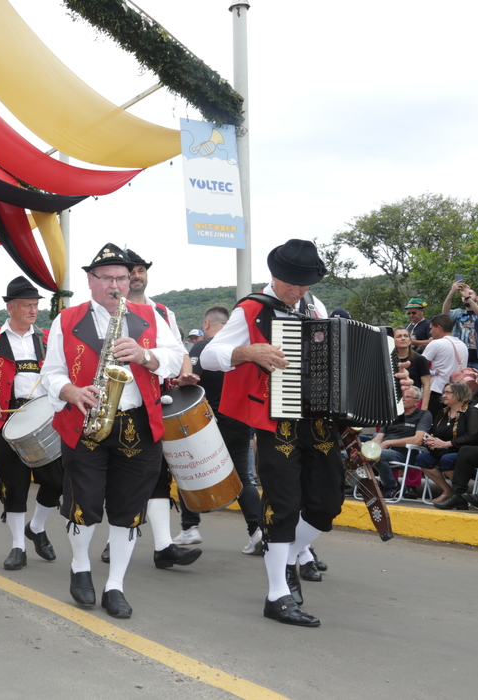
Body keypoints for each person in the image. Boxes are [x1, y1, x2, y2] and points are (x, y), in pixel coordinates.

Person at [40, 243, 183, 619]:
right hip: (87, 419)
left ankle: (115, 584)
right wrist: (69, 390)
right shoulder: (66, 319)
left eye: (123, 277)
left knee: (128, 509)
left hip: (136, 423)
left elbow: (174, 358)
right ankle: (80, 567)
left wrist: (145, 355)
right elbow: (50, 373)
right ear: (91, 280)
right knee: (84, 504)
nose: (116, 285)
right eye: (107, 278)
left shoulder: (150, 314)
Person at [201, 239, 338, 627]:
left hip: (317, 416)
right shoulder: (252, 309)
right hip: (275, 417)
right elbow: (210, 356)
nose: (297, 291)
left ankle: (291, 554)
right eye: (291, 284)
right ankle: (277, 593)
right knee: (283, 501)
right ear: (274, 277)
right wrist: (249, 352)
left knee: (327, 502)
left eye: (303, 284)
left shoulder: (316, 307)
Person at [0, 276, 63, 571]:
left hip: (45, 420)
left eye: (35, 305)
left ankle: (36, 526)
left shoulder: (48, 339)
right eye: (27, 305)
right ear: (10, 307)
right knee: (14, 486)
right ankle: (18, 547)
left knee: (57, 481)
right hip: (7, 420)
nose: (33, 310)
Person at [118, 247, 202, 571]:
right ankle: (119, 537)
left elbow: (179, 350)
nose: (137, 276)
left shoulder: (163, 312)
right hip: (123, 403)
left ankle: (163, 546)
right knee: (123, 473)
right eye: (131, 271)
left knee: (157, 473)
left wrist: (183, 375)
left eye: (141, 270)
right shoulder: (112, 310)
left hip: (157, 401)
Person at [175, 306, 265, 554]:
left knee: (189, 473)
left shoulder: (203, 347)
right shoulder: (243, 351)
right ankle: (256, 531)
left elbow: (188, 382)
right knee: (243, 479)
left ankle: (190, 528)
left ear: (206, 324)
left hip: (208, 423)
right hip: (240, 421)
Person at [419, 381, 478, 507]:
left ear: (459, 394)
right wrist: (431, 440)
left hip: (461, 451)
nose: (444, 395)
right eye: (443, 392)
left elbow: (472, 436)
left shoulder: (471, 412)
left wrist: (447, 444)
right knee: (422, 458)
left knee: (447, 459)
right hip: (442, 449)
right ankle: (448, 491)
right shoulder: (443, 412)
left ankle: (459, 495)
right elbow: (434, 432)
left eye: (448, 392)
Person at [370, 386, 431, 497]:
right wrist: (368, 448)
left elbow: (417, 440)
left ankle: (392, 486)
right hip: (386, 450)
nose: (402, 399)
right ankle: (367, 485)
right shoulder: (393, 414)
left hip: (405, 453)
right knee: (350, 453)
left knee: (378, 455)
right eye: (401, 396)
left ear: (416, 401)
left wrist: (388, 443)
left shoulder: (423, 415)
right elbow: (379, 436)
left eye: (407, 396)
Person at [421, 314, 467, 418]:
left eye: (431, 328)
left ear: (439, 328)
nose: (430, 332)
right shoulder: (462, 344)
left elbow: (420, 365)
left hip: (438, 391)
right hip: (457, 392)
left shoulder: (436, 344)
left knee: (435, 423)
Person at [441, 280, 478, 369]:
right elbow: (444, 314)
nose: (465, 295)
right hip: (460, 358)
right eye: (463, 294)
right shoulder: (458, 313)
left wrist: (467, 297)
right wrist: (451, 292)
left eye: (470, 293)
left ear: (477, 298)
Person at [393, 327, 431, 412]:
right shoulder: (388, 359)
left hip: (413, 403)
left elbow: (427, 385)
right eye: (399, 336)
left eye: (406, 336)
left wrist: (424, 408)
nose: (403, 338)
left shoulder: (420, 359)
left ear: (410, 340)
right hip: (393, 403)